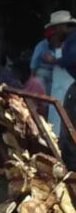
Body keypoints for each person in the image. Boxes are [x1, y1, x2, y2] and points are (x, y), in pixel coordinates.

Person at [47, 10, 76, 138]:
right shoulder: (69, 40)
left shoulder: (73, 39)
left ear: (63, 26)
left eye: (56, 28)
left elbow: (72, 58)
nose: (55, 32)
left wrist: (55, 60)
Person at [30, 26, 57, 95]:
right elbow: (34, 62)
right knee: (42, 95)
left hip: (54, 74)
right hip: (42, 72)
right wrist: (32, 77)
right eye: (54, 36)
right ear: (50, 37)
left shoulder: (59, 45)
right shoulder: (41, 45)